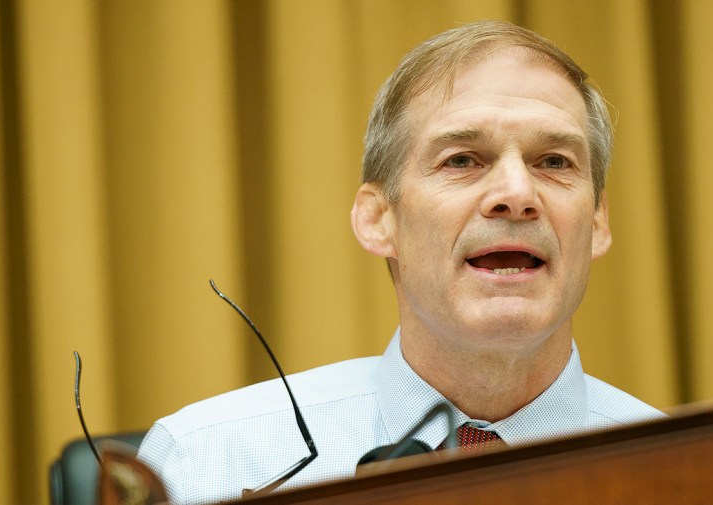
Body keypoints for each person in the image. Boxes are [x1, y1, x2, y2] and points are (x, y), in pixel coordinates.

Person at [138, 19, 665, 504]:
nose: (516, 193)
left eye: (554, 162)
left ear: (596, 222)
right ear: (378, 219)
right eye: (462, 160)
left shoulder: (704, 473)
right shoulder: (205, 462)